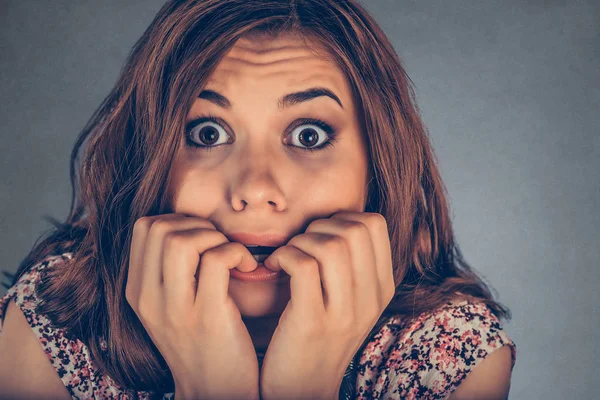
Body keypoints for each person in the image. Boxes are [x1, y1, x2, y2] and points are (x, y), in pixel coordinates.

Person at [0, 0, 517, 399]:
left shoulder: (447, 352)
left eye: (309, 136)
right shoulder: (54, 321)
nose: (255, 189)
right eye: (207, 134)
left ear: (377, 166)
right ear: (149, 156)